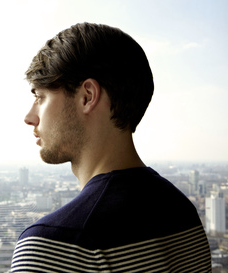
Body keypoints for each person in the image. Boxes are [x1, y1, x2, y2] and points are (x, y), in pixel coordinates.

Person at [11, 23, 211, 272]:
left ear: (87, 96)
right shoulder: (183, 213)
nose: (29, 117)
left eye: (40, 98)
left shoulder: (52, 246)